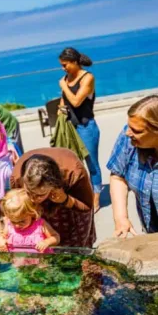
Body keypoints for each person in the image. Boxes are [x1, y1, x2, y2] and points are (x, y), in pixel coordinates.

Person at [10, 148, 96, 248]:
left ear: (54, 186)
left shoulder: (74, 172)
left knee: (77, 250)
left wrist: (65, 199)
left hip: (70, 206)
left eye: (39, 195)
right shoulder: (18, 176)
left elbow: (86, 206)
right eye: (29, 193)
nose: (33, 199)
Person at [107, 95, 158, 237]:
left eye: (137, 131)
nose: (128, 133)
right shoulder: (128, 138)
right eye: (129, 126)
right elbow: (118, 175)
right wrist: (121, 218)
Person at [58, 48, 102, 212]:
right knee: (74, 164)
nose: (63, 68)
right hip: (71, 127)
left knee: (92, 164)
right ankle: (83, 193)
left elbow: (76, 101)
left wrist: (63, 85)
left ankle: (96, 198)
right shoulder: (66, 78)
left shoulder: (87, 78)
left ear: (75, 62)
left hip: (86, 127)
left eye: (65, 65)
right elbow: (65, 100)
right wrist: (60, 112)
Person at [0, 188, 60, 253]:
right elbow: (2, 236)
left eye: (22, 221)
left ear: (32, 213)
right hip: (18, 261)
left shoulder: (40, 225)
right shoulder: (9, 225)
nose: (17, 225)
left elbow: (56, 237)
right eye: (13, 221)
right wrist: (0, 241)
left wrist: (46, 242)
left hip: (39, 261)